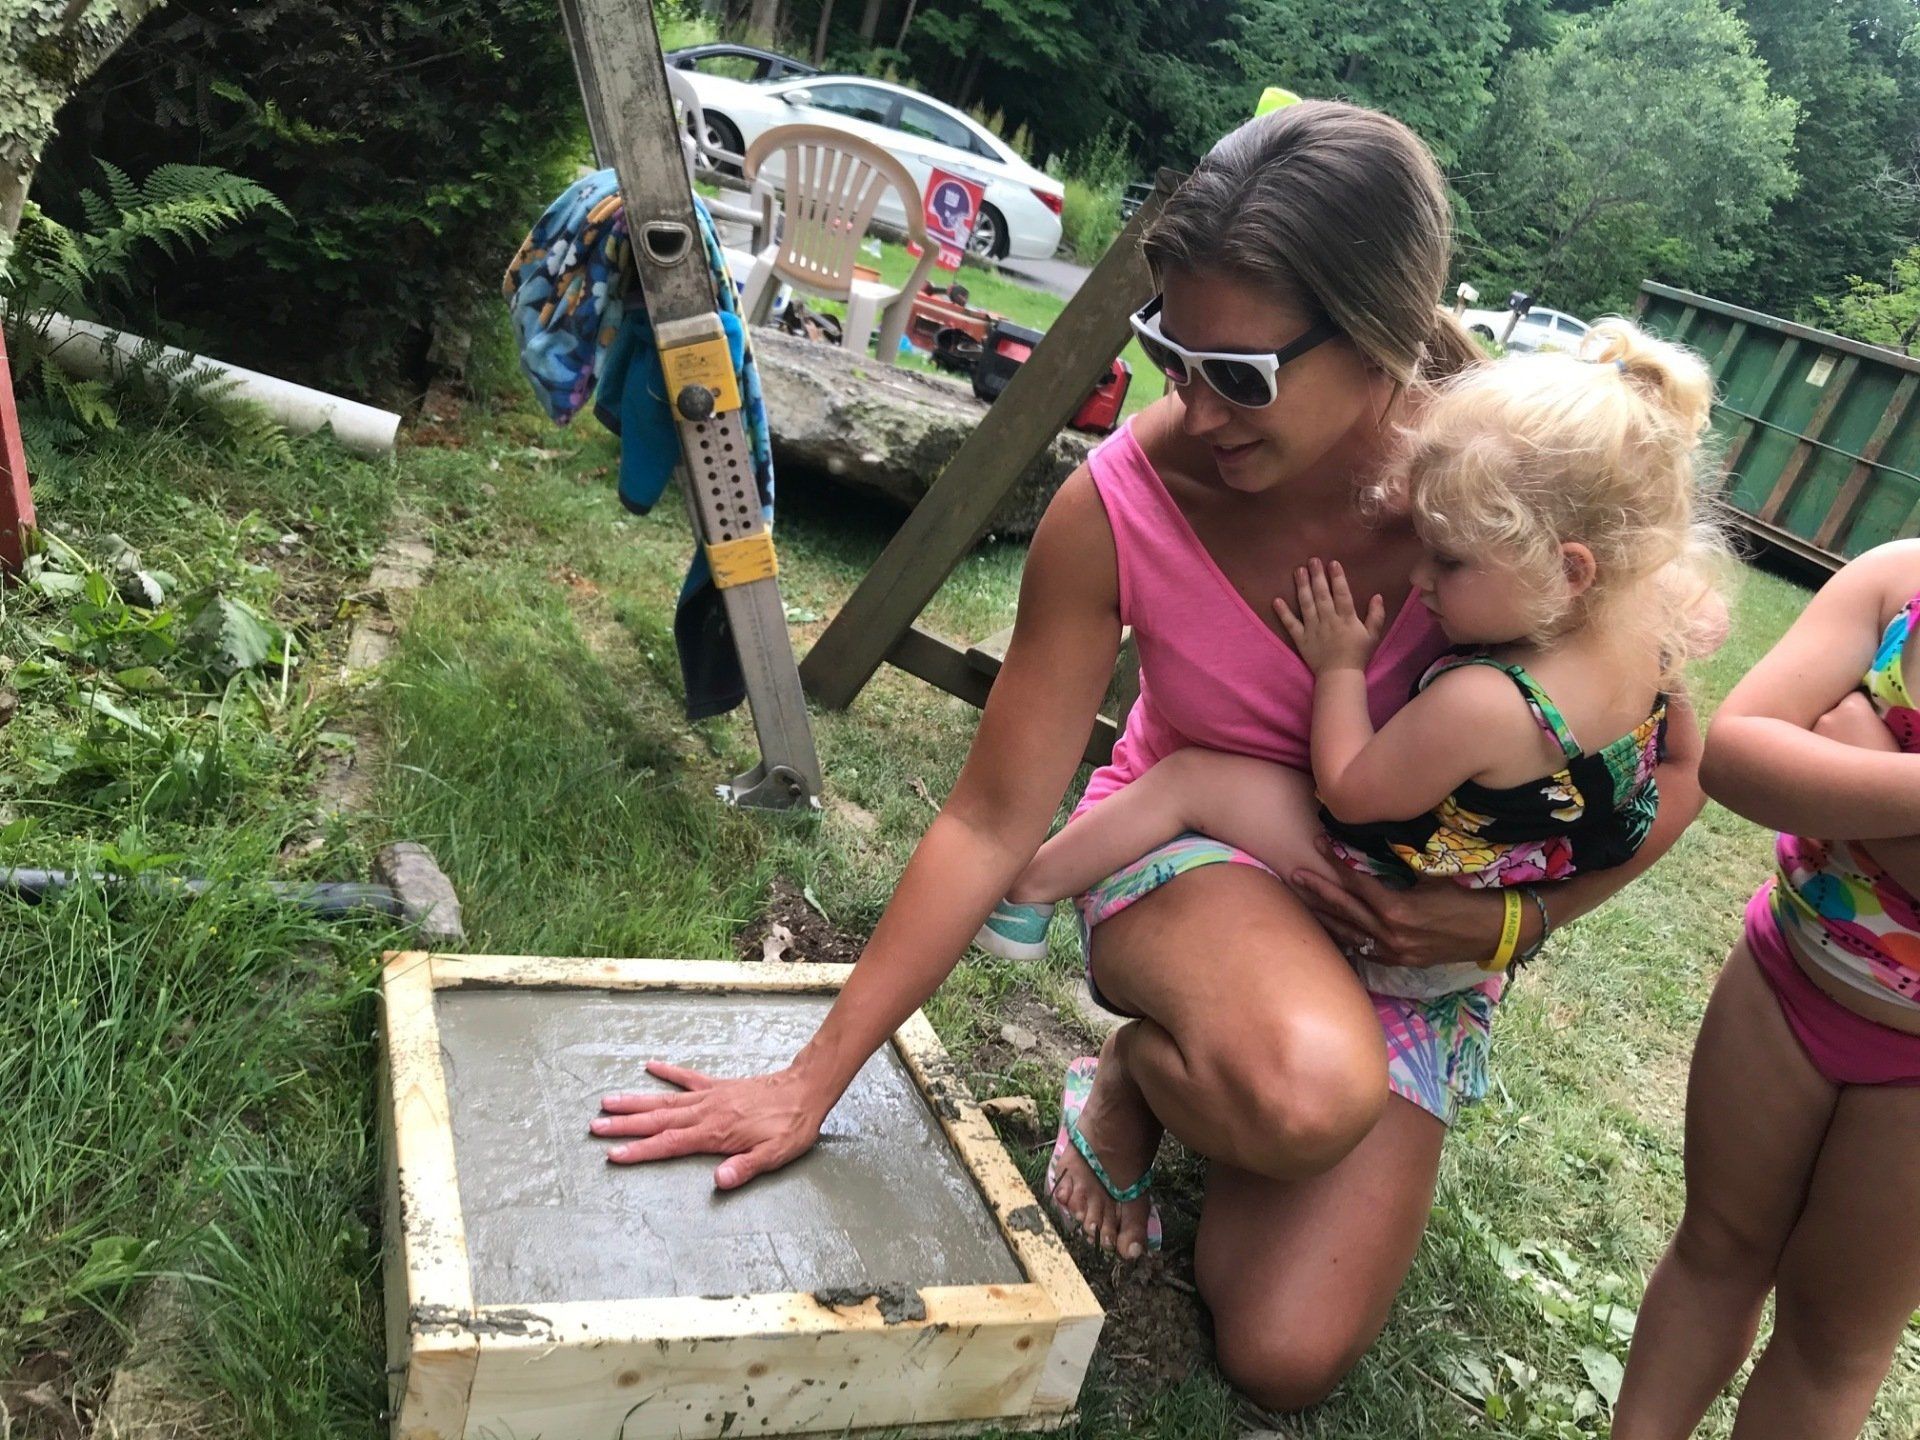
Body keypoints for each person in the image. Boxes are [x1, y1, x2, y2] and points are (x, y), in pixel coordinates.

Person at [588, 101, 1707, 1411]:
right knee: (1305, 1093)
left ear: (1384, 335)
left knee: (1285, 1354)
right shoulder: (1118, 504)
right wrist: (810, 1081)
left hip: (1403, 940)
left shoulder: (1520, 495)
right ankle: (1141, 1068)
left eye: (1243, 375)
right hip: (1196, 851)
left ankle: (1223, 1073)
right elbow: (991, 822)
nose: (1194, 407)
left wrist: (1515, 923)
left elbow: (1675, 770)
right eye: (1172, 352)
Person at [974, 329, 1724, 1214]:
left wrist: (1340, 667)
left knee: (1194, 784)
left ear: (1569, 569)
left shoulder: (1486, 702)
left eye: (1449, 559)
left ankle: (1032, 895)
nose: (1419, 576)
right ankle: (1082, 921)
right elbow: (1681, 768)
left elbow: (1350, 788)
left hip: (1374, 858)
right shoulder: (1654, 635)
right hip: (1447, 901)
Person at [1613, 539, 1920, 1440]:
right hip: (1786, 978)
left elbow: (1796, 761)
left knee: (1834, 1338)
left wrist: (1855, 764)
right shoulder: (1897, 579)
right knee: (1712, 1252)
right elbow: (1738, 757)